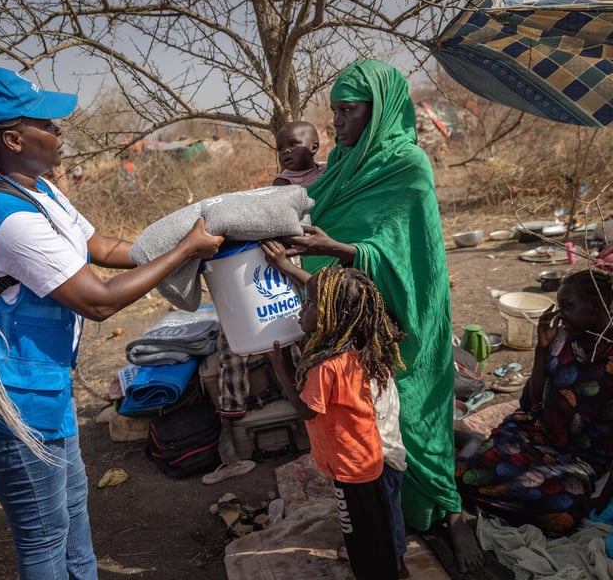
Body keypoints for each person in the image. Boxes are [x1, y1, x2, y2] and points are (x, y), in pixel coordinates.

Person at [0, 67, 223, 580]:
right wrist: (183, 251)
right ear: (14, 139)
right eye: (51, 124)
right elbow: (99, 301)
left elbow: (102, 248)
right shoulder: (7, 217)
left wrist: (196, 248)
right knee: (44, 535)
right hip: (2, 398)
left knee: (72, 508)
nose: (62, 133)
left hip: (41, 385)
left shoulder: (37, 191)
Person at [263, 59, 484, 573]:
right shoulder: (341, 164)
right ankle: (389, 519)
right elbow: (306, 210)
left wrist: (336, 247)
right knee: (367, 425)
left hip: (404, 315)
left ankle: (449, 514)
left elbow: (407, 255)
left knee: (415, 412)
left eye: (348, 112)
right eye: (334, 112)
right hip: (349, 318)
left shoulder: (408, 166)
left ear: (378, 110)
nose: (337, 123)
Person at [262, 239, 410, 577]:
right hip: (386, 453)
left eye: (309, 304)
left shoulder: (326, 367)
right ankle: (396, 561)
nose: (302, 309)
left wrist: (282, 369)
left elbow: (307, 411)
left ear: (331, 316)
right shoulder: (370, 342)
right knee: (387, 518)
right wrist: (286, 267)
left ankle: (381, 569)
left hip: (357, 466)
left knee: (361, 530)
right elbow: (331, 293)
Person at [456, 269, 613, 534]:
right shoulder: (562, 338)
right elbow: (529, 404)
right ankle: (474, 448)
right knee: (468, 475)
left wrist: (604, 498)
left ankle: (476, 458)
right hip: (534, 434)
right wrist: (542, 350)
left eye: (567, 307)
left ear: (595, 307)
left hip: (581, 459)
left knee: (563, 512)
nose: (559, 316)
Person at [272, 121, 327, 188]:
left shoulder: (326, 168)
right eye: (280, 149)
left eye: (293, 144)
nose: (285, 151)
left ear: (314, 148)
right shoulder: (283, 182)